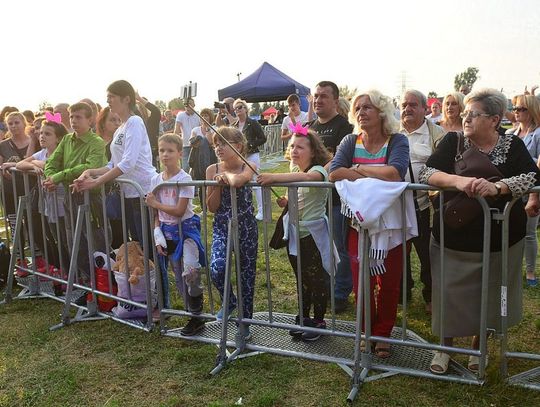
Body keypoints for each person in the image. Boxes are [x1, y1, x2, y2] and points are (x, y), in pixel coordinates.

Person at [419, 88, 540, 375]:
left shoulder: (512, 144)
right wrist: (458, 182)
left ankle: (478, 347)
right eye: (465, 113)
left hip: (500, 239)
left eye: (473, 114)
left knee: (489, 292)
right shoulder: (453, 141)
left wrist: (498, 187)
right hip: (453, 236)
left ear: (495, 120)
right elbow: (427, 173)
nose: (466, 118)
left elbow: (531, 176)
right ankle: (445, 347)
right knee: (448, 292)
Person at [329, 89, 410, 358]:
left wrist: (358, 170)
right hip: (358, 224)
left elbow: (395, 173)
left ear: (381, 111)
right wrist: (374, 174)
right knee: (361, 280)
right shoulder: (349, 141)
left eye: (368, 107)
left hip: (390, 226)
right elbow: (334, 172)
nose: (361, 112)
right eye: (358, 108)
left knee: (389, 281)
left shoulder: (397, 140)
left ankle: (383, 333)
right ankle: (366, 331)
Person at [257, 125, 334, 341]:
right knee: (301, 278)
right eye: (292, 146)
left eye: (300, 147)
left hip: (313, 235)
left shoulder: (318, 171)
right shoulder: (295, 169)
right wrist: (287, 201)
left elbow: (309, 180)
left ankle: (319, 322)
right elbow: (298, 197)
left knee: (316, 279)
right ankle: (303, 317)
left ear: (313, 151)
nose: (294, 150)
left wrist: (273, 177)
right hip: (294, 234)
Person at [72, 80, 157, 245]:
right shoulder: (121, 128)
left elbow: (128, 163)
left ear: (126, 99)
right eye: (107, 97)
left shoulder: (135, 122)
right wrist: (91, 172)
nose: (108, 100)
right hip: (129, 193)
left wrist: (96, 182)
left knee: (148, 246)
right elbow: (113, 163)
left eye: (112, 96)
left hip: (142, 192)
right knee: (138, 245)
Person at [146, 133, 206, 336]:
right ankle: (194, 316)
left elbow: (180, 210)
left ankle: (197, 308)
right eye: (162, 150)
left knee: (190, 271)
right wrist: (158, 235)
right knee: (178, 275)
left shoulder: (184, 179)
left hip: (187, 232)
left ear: (180, 153)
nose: (165, 155)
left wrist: (155, 203)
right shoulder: (155, 180)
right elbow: (155, 215)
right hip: (168, 233)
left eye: (170, 151)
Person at [44, 102, 108, 289]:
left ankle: (107, 286)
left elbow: (88, 166)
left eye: (78, 117)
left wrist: (59, 176)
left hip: (91, 199)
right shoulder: (66, 140)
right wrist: (51, 178)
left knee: (97, 243)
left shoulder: (96, 142)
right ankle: (89, 284)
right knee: (74, 243)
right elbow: (52, 162)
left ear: (90, 120)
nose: (73, 120)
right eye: (71, 116)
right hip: (70, 197)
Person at [206, 127, 258, 339]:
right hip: (222, 225)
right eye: (216, 144)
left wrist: (226, 176)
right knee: (217, 268)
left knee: (247, 274)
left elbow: (239, 181)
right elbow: (211, 207)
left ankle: (245, 322)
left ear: (238, 146)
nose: (218, 148)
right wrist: (217, 185)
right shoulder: (212, 169)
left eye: (223, 144)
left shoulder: (249, 165)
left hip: (246, 227)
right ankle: (229, 302)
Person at [309, 81, 354, 312]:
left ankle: (340, 292)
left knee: (338, 246)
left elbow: (338, 160)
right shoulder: (310, 127)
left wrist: (315, 175)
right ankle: (325, 288)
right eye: (316, 96)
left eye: (323, 96)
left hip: (336, 199)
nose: (318, 100)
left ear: (336, 100)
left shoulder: (345, 127)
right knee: (319, 245)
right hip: (312, 200)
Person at [399, 90, 446, 311]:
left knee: (428, 252)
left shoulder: (437, 133)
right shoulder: (391, 131)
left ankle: (431, 295)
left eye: (413, 104)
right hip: (395, 205)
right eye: (404, 105)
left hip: (425, 206)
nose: (407, 109)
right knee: (398, 250)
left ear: (424, 109)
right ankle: (402, 291)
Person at [16, 116, 68, 272]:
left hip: (64, 205)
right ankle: (62, 271)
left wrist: (35, 163)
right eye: (41, 133)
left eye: (47, 134)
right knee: (54, 239)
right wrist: (33, 165)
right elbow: (20, 164)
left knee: (66, 241)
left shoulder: (63, 153)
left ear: (58, 138)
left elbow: (51, 165)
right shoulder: (42, 152)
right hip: (48, 205)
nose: (42, 136)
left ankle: (76, 274)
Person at [510, 94, 540, 287]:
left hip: (531, 191)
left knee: (529, 233)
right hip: (511, 190)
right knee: (510, 232)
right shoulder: (510, 133)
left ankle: (530, 271)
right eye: (515, 108)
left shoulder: (538, 134)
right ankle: (511, 269)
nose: (516, 112)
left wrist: (534, 196)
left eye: (521, 109)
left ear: (532, 111)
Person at [232, 98, 267, 221]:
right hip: (239, 157)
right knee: (243, 182)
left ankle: (262, 211)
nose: (237, 110)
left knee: (256, 182)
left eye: (240, 107)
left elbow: (263, 138)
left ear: (245, 109)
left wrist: (250, 144)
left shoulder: (253, 123)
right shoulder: (234, 126)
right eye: (235, 108)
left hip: (252, 155)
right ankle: (245, 209)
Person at [95, 106, 123, 249]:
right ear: (102, 122)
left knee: (119, 231)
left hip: (117, 193)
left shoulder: (121, 143)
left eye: (119, 120)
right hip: (99, 193)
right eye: (112, 120)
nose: (117, 123)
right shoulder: (96, 143)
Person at [0, 112, 30, 232]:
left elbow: (35, 160)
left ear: (24, 123)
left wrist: (13, 165)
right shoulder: (3, 145)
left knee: (33, 223)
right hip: (9, 190)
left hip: (30, 189)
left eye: (17, 122)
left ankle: (36, 245)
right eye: (10, 123)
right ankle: (18, 244)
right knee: (15, 224)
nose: (13, 126)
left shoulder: (34, 142)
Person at [188, 108, 217, 187]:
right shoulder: (195, 130)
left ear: (210, 117)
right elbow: (191, 143)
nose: (204, 117)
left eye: (206, 116)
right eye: (202, 116)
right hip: (197, 159)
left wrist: (207, 128)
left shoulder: (215, 129)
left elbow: (210, 142)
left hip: (211, 158)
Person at [174, 98, 200, 173]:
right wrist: (176, 143)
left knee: (197, 167)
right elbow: (176, 130)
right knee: (186, 167)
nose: (188, 106)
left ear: (194, 105)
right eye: (186, 105)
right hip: (185, 145)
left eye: (190, 104)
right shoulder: (180, 115)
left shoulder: (198, 116)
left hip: (196, 145)